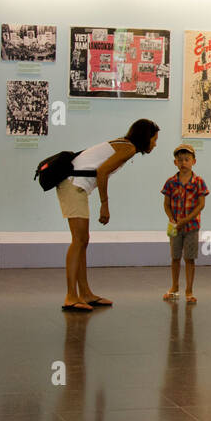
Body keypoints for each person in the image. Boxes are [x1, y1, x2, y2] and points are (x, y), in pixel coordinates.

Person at [56, 118, 159, 311]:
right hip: (73, 185)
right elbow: (102, 172)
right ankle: (71, 296)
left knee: (82, 240)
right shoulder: (128, 149)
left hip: (75, 186)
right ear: (146, 137)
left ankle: (85, 293)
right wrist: (104, 205)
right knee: (79, 240)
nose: (155, 143)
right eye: (154, 139)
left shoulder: (124, 144)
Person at [161, 143, 209, 304]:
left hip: (191, 227)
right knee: (175, 257)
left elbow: (201, 204)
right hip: (174, 226)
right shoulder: (170, 182)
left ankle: (189, 290)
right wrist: (172, 218)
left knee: (189, 258)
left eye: (187, 159)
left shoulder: (199, 182)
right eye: (180, 160)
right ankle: (174, 287)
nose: (183, 163)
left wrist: (186, 220)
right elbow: (166, 204)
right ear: (175, 162)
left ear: (193, 161)